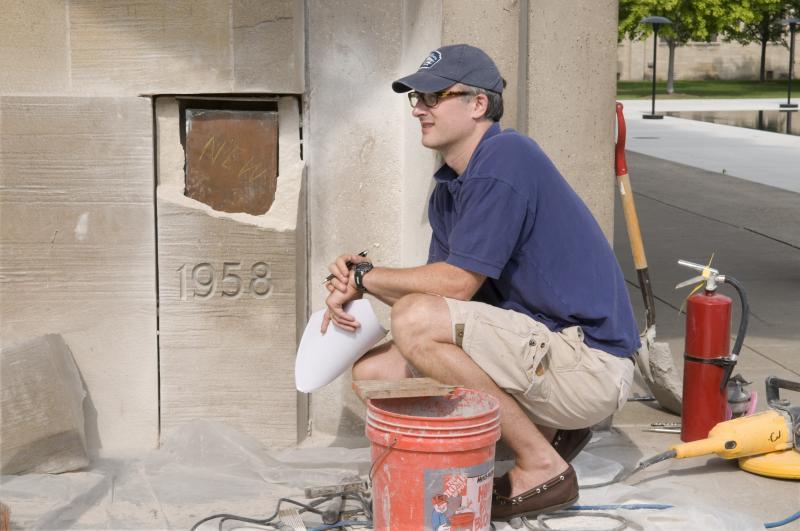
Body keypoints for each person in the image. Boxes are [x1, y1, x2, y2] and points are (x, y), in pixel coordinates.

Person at [320, 44, 639, 520]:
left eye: (433, 96)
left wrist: (367, 277)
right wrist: (359, 285)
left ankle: (541, 465)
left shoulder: (507, 157)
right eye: (415, 98)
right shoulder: (451, 186)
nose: (419, 108)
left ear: (478, 104)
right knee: (374, 374)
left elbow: (453, 287)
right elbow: (435, 291)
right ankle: (536, 436)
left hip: (590, 363)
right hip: (541, 350)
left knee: (415, 320)